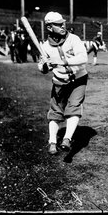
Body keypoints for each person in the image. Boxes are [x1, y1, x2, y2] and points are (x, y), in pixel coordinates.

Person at [38, 11, 88, 155]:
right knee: (55, 113)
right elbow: (42, 68)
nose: (62, 26)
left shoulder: (73, 39)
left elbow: (83, 57)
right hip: (59, 82)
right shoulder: (45, 46)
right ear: (49, 27)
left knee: (74, 107)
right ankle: (52, 142)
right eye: (58, 24)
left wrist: (62, 61)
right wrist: (45, 67)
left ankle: (67, 139)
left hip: (78, 79)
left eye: (63, 23)